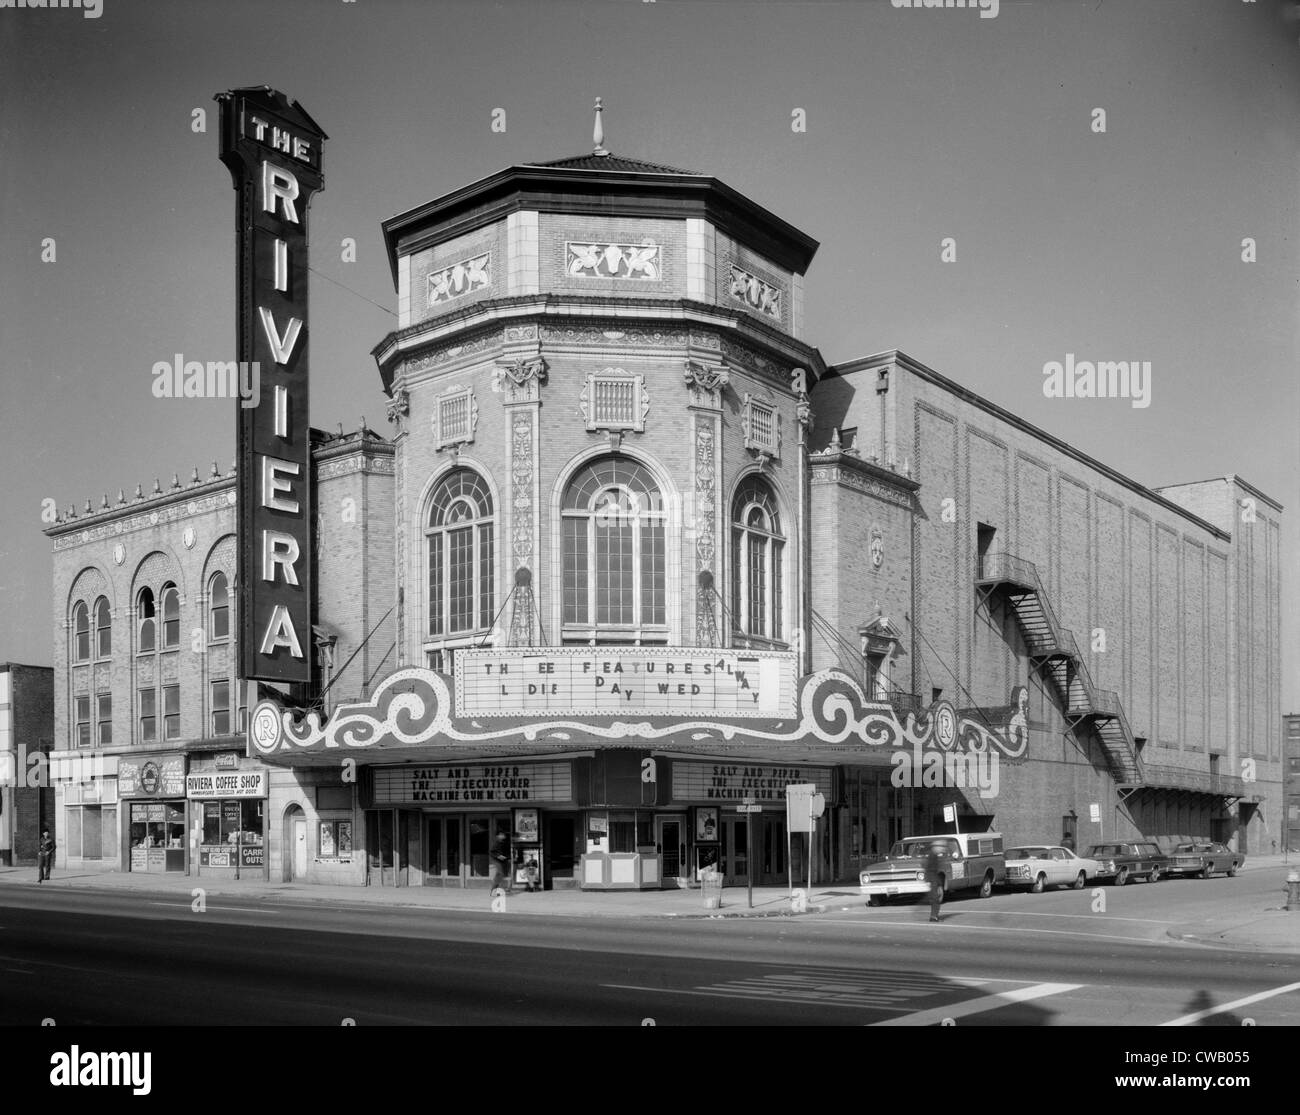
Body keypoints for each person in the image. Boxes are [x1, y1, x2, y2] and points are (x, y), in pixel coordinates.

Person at [924, 840, 945, 922]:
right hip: (932, 880)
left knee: (935, 899)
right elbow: (930, 869)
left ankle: (933, 916)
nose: (942, 849)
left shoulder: (933, 855)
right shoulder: (932, 855)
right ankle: (933, 917)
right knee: (935, 899)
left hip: (933, 880)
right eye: (941, 847)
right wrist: (931, 881)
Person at [489, 833, 512, 898]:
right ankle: (493, 891)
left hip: (502, 861)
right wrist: (499, 856)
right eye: (501, 835)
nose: (503, 836)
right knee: (500, 874)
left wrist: (507, 857)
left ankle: (497, 890)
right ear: (498, 836)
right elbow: (492, 852)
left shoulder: (503, 842)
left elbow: (506, 852)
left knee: (501, 875)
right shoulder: (497, 842)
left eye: (503, 835)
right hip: (497, 860)